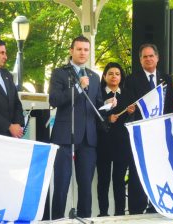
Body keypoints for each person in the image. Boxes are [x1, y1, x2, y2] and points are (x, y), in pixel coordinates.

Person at [49, 35, 105, 219]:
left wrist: (108, 105)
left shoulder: (95, 77)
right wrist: (78, 88)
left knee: (85, 185)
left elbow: (96, 105)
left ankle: (85, 218)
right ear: (71, 51)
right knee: (62, 183)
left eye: (86, 50)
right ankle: (57, 219)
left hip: (89, 138)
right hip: (66, 136)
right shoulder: (60, 73)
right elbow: (54, 100)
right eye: (79, 49)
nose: (83, 53)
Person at [124, 43, 173, 214]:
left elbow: (170, 107)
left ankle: (156, 205)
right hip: (141, 134)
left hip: (160, 134)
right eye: (145, 56)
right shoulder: (131, 80)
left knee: (158, 169)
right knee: (138, 171)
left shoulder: (166, 79)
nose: (148, 59)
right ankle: (136, 209)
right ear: (140, 60)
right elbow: (128, 108)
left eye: (151, 55)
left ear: (157, 58)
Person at [96, 62, 134, 217]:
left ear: (121, 77)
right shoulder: (97, 94)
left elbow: (129, 119)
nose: (114, 76)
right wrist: (107, 119)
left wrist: (131, 112)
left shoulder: (126, 94)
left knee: (119, 181)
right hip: (103, 143)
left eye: (117, 74)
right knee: (103, 181)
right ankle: (103, 213)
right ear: (104, 76)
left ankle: (119, 214)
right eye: (110, 73)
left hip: (122, 144)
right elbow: (93, 117)